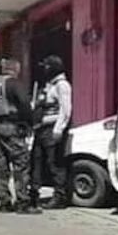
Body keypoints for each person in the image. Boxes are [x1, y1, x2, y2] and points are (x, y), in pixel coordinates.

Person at [0, 57, 37, 214]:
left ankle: (4, 202)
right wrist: (29, 123)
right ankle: (22, 202)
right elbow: (24, 104)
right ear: (15, 69)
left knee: (2, 166)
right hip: (11, 127)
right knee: (21, 164)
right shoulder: (14, 84)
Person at [31, 55, 73, 209]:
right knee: (36, 161)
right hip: (41, 129)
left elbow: (66, 109)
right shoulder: (49, 85)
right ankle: (33, 194)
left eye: (47, 66)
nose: (44, 69)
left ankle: (60, 196)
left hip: (52, 129)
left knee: (55, 163)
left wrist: (59, 128)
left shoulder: (62, 85)